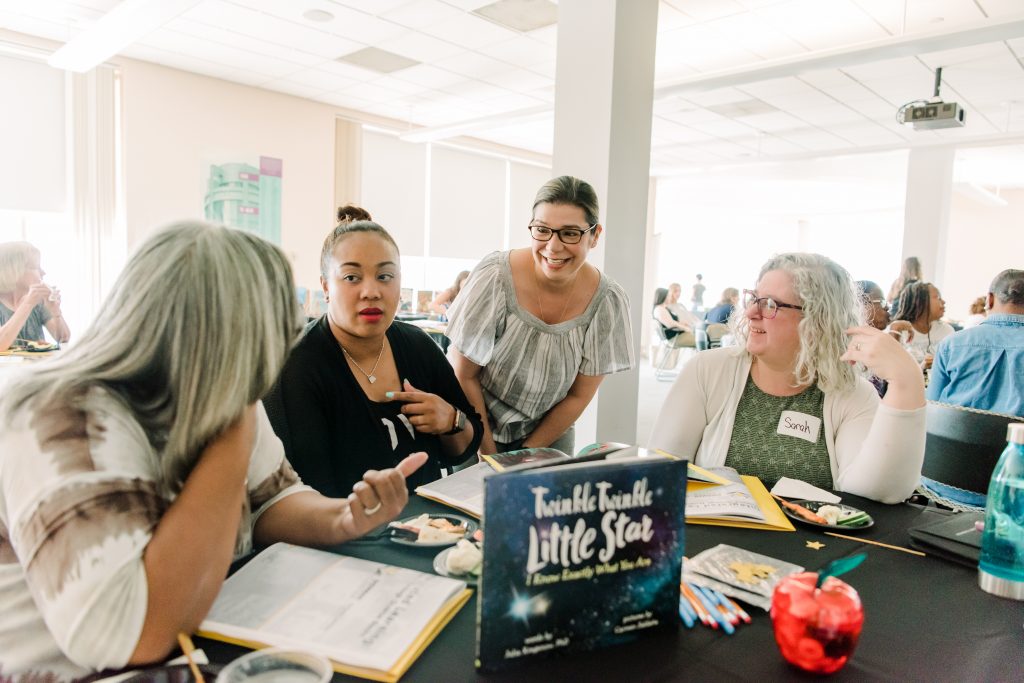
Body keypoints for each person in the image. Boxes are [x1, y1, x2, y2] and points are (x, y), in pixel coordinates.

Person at [0, 221, 426, 680]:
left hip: (204, 636)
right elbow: (130, 638)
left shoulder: (215, 390)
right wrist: (233, 433)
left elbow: (273, 497)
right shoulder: (58, 416)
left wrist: (342, 517)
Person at [649, 253, 926, 503]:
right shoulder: (707, 371)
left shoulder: (852, 394)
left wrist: (906, 382)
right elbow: (661, 470)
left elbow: (876, 492)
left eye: (770, 305)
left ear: (817, 320)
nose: (750, 313)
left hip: (810, 553)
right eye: (754, 299)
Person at [265, 218, 482, 499]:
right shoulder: (295, 367)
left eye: (385, 276)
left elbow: (463, 449)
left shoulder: (419, 347)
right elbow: (307, 492)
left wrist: (451, 420)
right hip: (339, 536)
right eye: (352, 278)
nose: (371, 292)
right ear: (326, 286)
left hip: (431, 530)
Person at [446, 175, 635, 456]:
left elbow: (578, 395)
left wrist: (523, 456)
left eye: (570, 233)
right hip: (476, 419)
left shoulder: (607, 301)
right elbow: (464, 375)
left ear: (595, 236)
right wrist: (488, 455)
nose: (553, 246)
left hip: (549, 428)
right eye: (542, 229)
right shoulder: (495, 277)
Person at [928, 269, 1024, 416]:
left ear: (989, 300)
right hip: (1016, 438)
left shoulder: (951, 344)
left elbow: (931, 406)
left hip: (951, 436)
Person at [0, 241, 71, 351]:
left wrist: (55, 311)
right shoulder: (30, 302)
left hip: (36, 367)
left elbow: (63, 338)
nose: (43, 272)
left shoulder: (38, 303)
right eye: (36, 267)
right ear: (14, 271)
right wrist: (27, 304)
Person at [892, 281, 954, 370]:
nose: (943, 302)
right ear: (920, 302)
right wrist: (922, 367)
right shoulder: (898, 332)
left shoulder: (947, 331)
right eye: (938, 297)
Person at [652, 286, 696, 358]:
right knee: (701, 340)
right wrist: (685, 328)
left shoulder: (662, 308)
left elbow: (671, 322)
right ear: (663, 297)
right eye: (668, 295)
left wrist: (681, 323)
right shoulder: (659, 309)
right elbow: (670, 324)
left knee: (700, 338)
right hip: (674, 338)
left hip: (676, 336)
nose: (670, 297)